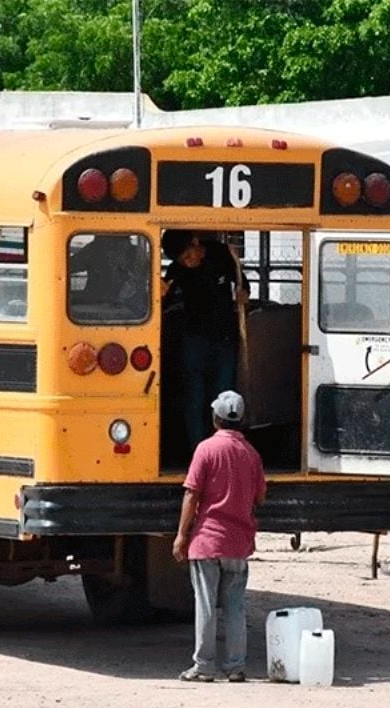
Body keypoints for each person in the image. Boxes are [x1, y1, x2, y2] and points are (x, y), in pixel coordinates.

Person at [173, 390, 267, 682]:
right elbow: (261, 497)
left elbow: (191, 495)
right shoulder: (251, 454)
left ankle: (204, 667)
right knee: (235, 607)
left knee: (206, 605)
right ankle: (236, 667)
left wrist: (181, 536)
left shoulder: (206, 449)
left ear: (215, 418)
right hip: (238, 544)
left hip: (207, 541)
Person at [163, 230, 249, 454]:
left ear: (195, 242)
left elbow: (242, 281)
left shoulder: (221, 254)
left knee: (224, 396)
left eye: (188, 256)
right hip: (194, 339)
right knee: (194, 396)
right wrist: (161, 294)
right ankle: (199, 451)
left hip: (225, 337)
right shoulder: (176, 270)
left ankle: (224, 450)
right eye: (183, 260)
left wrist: (243, 293)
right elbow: (163, 302)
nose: (188, 262)